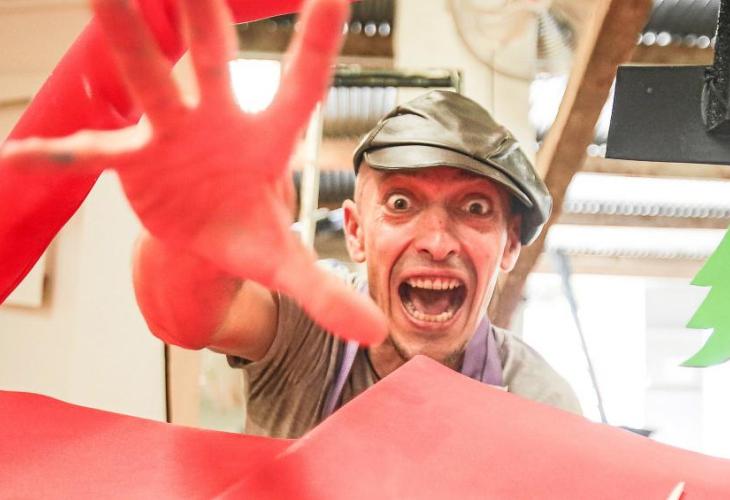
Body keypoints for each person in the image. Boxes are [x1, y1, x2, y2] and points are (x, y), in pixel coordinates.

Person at [0, 0, 580, 439]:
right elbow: (183, 317)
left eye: (474, 208)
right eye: (401, 204)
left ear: (509, 246)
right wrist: (193, 237)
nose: (435, 240)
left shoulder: (541, 408)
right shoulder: (310, 332)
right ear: (355, 231)